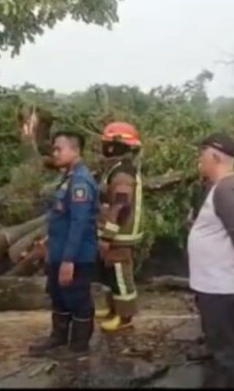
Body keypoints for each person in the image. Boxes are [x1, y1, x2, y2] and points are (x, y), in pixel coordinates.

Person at [188, 132, 234, 388]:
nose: (200, 161)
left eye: (203, 155)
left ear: (215, 156)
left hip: (221, 285)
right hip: (214, 283)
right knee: (222, 345)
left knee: (229, 350)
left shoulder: (226, 189)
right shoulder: (223, 187)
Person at [29, 131, 98, 357]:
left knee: (77, 298)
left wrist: (68, 259)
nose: (55, 153)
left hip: (76, 255)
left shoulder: (80, 181)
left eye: (59, 149)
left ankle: (79, 346)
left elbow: (79, 223)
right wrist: (48, 242)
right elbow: (61, 218)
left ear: (75, 150)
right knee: (58, 295)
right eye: (54, 149)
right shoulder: (67, 178)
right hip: (58, 252)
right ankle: (58, 337)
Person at [94, 122, 144, 332]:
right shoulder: (117, 169)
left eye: (106, 143)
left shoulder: (122, 174)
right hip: (116, 233)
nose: (103, 147)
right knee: (111, 274)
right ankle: (113, 309)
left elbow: (121, 207)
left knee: (121, 275)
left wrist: (107, 236)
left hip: (120, 235)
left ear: (114, 146)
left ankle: (125, 317)